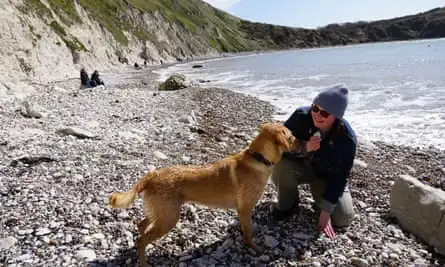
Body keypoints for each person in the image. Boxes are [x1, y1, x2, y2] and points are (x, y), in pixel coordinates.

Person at [270, 84, 357, 239]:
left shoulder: (346, 138)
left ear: (336, 116)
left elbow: (340, 175)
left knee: (342, 219)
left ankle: (320, 203)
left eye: (324, 113)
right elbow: (278, 146)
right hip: (297, 167)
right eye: (315, 108)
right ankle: (288, 203)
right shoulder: (301, 115)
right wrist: (303, 148)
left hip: (324, 176)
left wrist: (326, 211)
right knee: (280, 165)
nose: (317, 115)